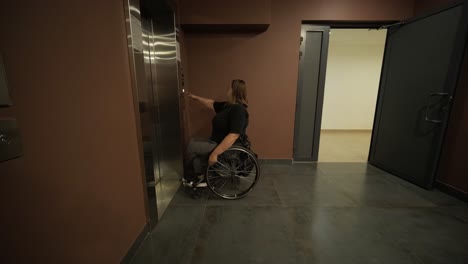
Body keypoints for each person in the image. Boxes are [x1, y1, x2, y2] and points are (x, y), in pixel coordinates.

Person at [184, 79, 249, 189]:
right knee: (193, 141)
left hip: (226, 147)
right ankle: (201, 173)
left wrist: (215, 153)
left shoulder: (238, 110)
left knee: (191, 147)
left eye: (229, 88)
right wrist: (195, 98)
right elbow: (211, 103)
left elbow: (234, 135)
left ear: (234, 91)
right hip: (215, 141)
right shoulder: (228, 106)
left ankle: (200, 176)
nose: (227, 90)